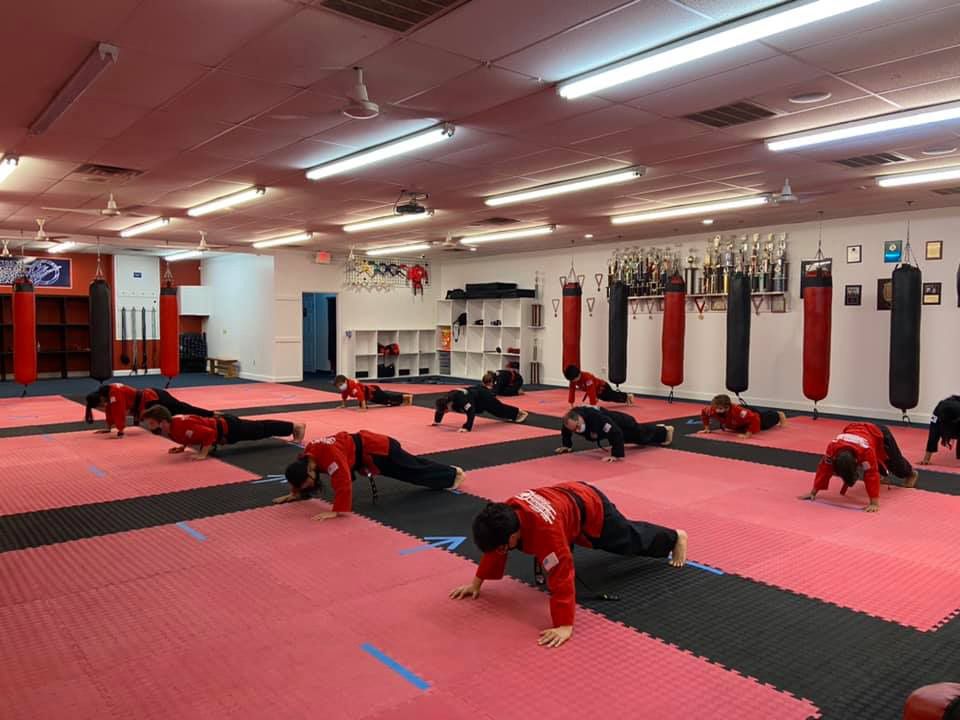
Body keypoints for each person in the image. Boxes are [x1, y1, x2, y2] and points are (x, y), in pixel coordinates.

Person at [449, 482, 688, 648]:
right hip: (565, 499)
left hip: (591, 505)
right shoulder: (504, 516)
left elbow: (562, 575)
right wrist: (476, 584)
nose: (501, 551)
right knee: (535, 547)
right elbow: (496, 549)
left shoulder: (546, 534)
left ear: (513, 534)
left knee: (628, 540)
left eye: (503, 545)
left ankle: (675, 537)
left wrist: (564, 625)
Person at [274, 430, 465, 520]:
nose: (308, 485)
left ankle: (452, 475)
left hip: (377, 449)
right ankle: (448, 473)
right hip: (365, 453)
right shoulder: (307, 457)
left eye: (305, 484)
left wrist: (336, 510)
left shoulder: (330, 459)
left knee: (411, 470)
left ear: (310, 471)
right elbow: (297, 474)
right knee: (413, 466)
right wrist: (295, 493)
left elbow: (344, 483)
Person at [799, 422, 919, 512]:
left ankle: (911, 473)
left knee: (895, 464)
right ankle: (883, 473)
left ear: (856, 461)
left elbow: (871, 474)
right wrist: (813, 492)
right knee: (872, 462)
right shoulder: (832, 449)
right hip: (856, 429)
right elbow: (824, 469)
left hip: (880, 434)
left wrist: (874, 502)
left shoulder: (865, 451)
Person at [141, 405, 305, 461]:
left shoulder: (180, 425)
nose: (150, 426)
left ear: (161, 420)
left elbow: (209, 435)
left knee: (260, 429)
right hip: (224, 428)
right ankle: (292, 427)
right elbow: (189, 436)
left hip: (229, 428)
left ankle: (294, 426)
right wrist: (183, 447)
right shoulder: (171, 428)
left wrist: (203, 454)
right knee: (259, 429)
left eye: (151, 422)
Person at [84, 383, 215, 437]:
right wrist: (108, 427)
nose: (101, 407)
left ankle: (212, 416)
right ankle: (210, 417)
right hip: (147, 401)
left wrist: (120, 429)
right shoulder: (108, 392)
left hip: (154, 398)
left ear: (100, 398)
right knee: (180, 412)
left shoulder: (114, 393)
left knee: (182, 410)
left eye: (99, 405)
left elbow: (118, 411)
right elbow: (110, 410)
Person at [557, 407, 673, 462]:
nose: (577, 430)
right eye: (574, 429)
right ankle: (660, 429)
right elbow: (566, 430)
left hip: (622, 422)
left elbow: (615, 432)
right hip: (608, 429)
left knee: (639, 437)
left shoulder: (596, 418)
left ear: (580, 418)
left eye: (578, 426)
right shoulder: (570, 422)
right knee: (634, 439)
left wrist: (615, 455)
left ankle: (664, 431)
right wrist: (567, 445)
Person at [433, 386, 528, 432]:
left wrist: (466, 427)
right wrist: (436, 421)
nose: (446, 412)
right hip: (475, 397)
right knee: (500, 413)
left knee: (499, 410)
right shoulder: (444, 400)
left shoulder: (460, 399)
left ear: (448, 405)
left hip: (483, 396)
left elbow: (471, 412)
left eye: (446, 411)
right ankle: (514, 414)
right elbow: (439, 410)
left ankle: (519, 412)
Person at [700, 394, 786, 439]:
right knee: (739, 428)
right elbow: (704, 413)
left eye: (720, 408)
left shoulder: (739, 412)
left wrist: (748, 434)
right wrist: (707, 428)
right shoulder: (712, 409)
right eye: (716, 408)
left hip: (751, 414)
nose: (717, 410)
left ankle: (778, 414)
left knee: (763, 423)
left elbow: (754, 418)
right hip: (739, 422)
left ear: (727, 407)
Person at [563, 365, 633, 407]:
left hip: (603, 387)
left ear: (578, 374)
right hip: (597, 392)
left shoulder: (587, 377)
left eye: (575, 379)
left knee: (612, 397)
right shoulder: (573, 380)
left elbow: (591, 391)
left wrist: (593, 405)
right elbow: (572, 390)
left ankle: (627, 396)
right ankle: (626, 398)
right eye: (572, 380)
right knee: (609, 398)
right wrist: (571, 403)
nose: (574, 381)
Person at [920, 395, 960, 465]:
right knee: (936, 429)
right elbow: (933, 434)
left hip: (956, 415)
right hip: (944, 414)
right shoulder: (937, 412)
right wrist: (926, 459)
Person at [334, 375, 412, 410]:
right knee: (386, 402)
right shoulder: (345, 387)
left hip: (373, 392)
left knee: (388, 400)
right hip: (369, 395)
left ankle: (405, 397)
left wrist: (364, 408)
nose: (340, 387)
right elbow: (344, 396)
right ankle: (403, 399)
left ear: (345, 381)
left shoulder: (352, 385)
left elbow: (360, 396)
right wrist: (343, 405)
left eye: (341, 385)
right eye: (338, 386)